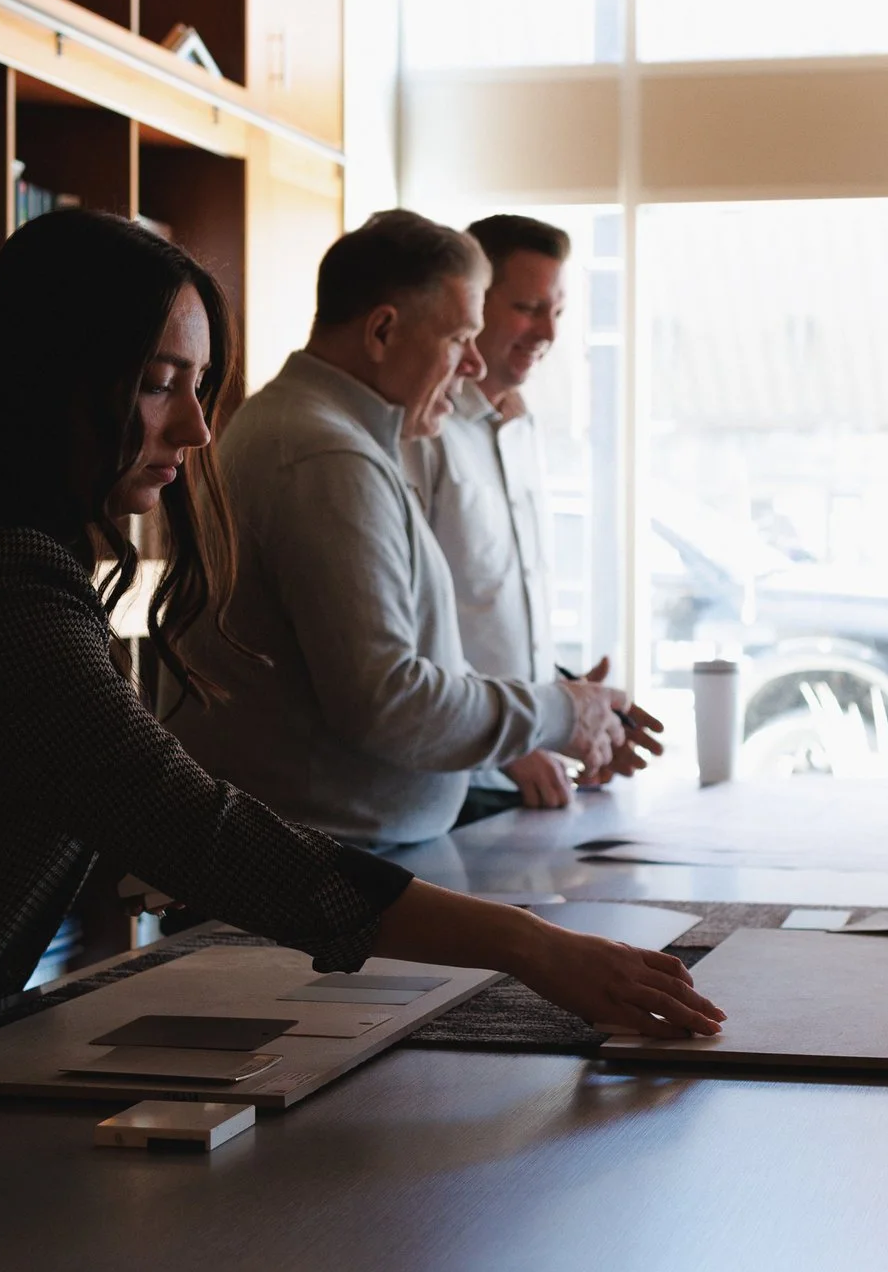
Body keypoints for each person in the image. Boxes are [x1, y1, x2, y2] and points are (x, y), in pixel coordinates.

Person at [0, 211, 719, 1154]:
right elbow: (185, 821)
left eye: (200, 383)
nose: (199, 429)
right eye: (163, 383)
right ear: (57, 379)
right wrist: (529, 944)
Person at [161, 210, 638, 847]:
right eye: (458, 338)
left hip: (331, 854)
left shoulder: (325, 433)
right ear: (383, 330)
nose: (472, 365)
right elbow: (387, 700)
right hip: (320, 867)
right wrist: (557, 713)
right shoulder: (327, 456)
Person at [404, 214, 657, 822]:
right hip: (450, 782)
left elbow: (492, 612)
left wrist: (579, 706)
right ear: (471, 304)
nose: (547, 330)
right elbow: (408, 627)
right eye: (527, 307)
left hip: (522, 772)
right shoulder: (420, 432)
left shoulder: (522, 427)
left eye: (558, 312)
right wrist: (516, 745)